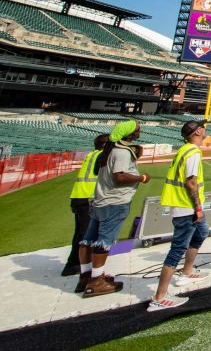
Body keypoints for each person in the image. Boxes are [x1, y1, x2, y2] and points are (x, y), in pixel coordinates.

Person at [77, 122, 150, 296]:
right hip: (114, 202)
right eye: (137, 129)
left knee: (89, 239)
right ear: (129, 133)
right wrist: (142, 178)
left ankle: (86, 276)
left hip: (101, 200)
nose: (139, 131)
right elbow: (120, 176)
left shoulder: (108, 151)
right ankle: (96, 282)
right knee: (104, 241)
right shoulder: (122, 152)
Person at [149, 121, 211, 311]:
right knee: (177, 249)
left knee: (202, 233)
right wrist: (198, 208)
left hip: (186, 206)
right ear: (198, 131)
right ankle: (159, 296)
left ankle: (187, 271)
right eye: (202, 126)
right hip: (187, 207)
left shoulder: (185, 149)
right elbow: (190, 182)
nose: (205, 128)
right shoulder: (192, 152)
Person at [63, 133, 109, 277]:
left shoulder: (92, 155)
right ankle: (77, 266)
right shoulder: (100, 156)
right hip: (88, 198)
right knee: (85, 235)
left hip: (79, 197)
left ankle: (75, 263)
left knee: (80, 233)